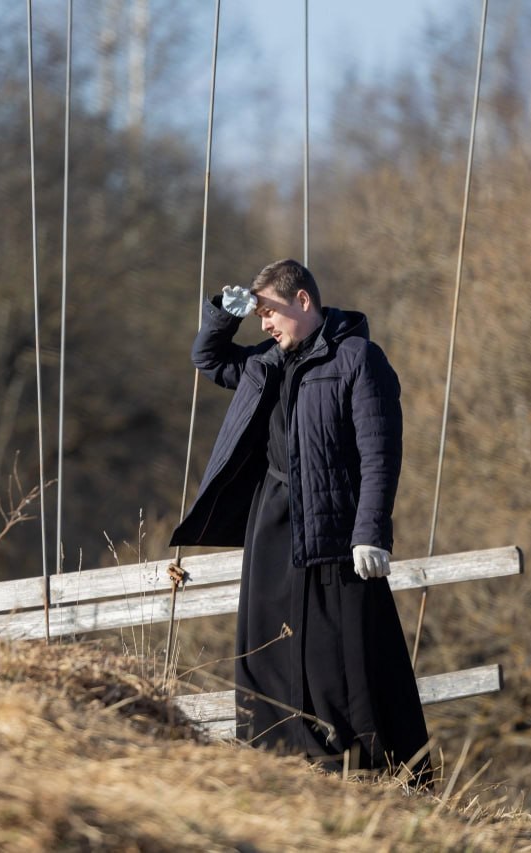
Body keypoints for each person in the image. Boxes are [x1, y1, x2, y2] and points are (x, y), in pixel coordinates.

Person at [169, 258, 430, 782]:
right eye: (259, 313)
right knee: (265, 650)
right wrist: (227, 310)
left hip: (335, 533)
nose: (264, 323)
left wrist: (371, 531)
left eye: (270, 311)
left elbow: (381, 454)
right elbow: (208, 356)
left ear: (304, 302)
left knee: (340, 658)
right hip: (272, 525)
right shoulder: (265, 362)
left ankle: (360, 770)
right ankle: (274, 765)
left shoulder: (360, 360)